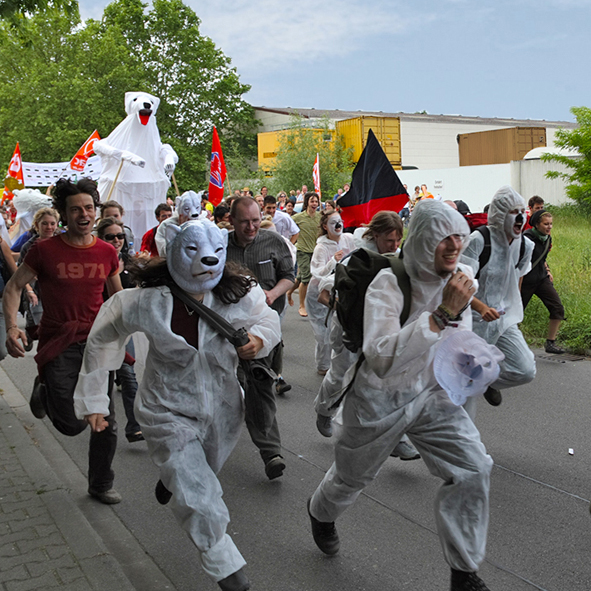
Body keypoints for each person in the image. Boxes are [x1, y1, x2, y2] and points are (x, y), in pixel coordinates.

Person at [74, 218, 280, 591]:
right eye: (194, 252)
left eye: (216, 253)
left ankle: (174, 478)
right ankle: (227, 567)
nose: (208, 261)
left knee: (204, 471)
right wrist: (95, 400)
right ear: (174, 253)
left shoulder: (238, 295)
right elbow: (103, 337)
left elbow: (267, 318)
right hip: (166, 409)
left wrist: (260, 338)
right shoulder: (144, 302)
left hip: (223, 409)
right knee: (199, 492)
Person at [307, 200, 494, 591]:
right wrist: (440, 315)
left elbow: (459, 339)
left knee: (473, 468)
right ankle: (320, 513)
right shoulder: (389, 283)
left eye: (459, 236)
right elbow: (380, 358)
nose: (454, 245)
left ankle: (463, 572)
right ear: (424, 239)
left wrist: (477, 367)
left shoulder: (458, 279)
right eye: (445, 237)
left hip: (434, 398)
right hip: (380, 402)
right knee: (350, 478)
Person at [3, 178, 123, 504]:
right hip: (60, 342)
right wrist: (13, 327)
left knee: (105, 420)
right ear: (64, 215)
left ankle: (100, 484)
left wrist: (132, 331)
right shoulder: (44, 251)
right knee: (72, 424)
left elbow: (118, 299)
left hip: (97, 344)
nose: (83, 214)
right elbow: (13, 287)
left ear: (95, 211)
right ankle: (43, 388)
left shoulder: (106, 252)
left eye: (88, 208)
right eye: (75, 209)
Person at [315, 211, 420, 461]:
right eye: (389, 241)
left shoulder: (397, 260)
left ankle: (396, 438)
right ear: (375, 235)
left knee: (387, 381)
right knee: (340, 376)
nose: (394, 246)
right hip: (350, 330)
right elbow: (323, 290)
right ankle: (324, 409)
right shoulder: (358, 259)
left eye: (398, 241)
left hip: (381, 331)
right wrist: (344, 308)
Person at [227, 197, 295, 477]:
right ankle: (268, 451)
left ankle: (270, 453)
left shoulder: (274, 242)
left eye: (255, 220)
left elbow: (289, 276)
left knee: (260, 385)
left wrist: (273, 294)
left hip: (265, 328)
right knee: (238, 388)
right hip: (227, 330)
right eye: (245, 222)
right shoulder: (220, 246)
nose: (252, 226)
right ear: (231, 221)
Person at [461, 186, 536, 408]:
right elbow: (459, 282)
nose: (520, 217)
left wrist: (514, 310)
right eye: (514, 211)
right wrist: (481, 307)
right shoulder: (479, 240)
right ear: (500, 215)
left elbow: (517, 279)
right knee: (460, 389)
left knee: (525, 370)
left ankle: (489, 383)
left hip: (503, 320)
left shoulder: (525, 245)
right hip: (472, 321)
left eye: (523, 211)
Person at [97, 217, 144, 442]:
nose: (116, 240)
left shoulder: (129, 261)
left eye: (120, 236)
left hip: (122, 327)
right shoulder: (95, 261)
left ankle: (134, 425)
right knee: (102, 375)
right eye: (110, 236)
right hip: (99, 326)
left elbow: (136, 290)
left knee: (128, 373)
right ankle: (103, 423)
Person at [305, 211, 355, 375]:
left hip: (339, 289)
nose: (338, 225)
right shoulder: (321, 247)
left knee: (338, 328)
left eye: (340, 221)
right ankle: (323, 365)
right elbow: (317, 272)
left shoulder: (348, 239)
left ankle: (337, 365)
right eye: (334, 222)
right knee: (323, 332)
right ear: (325, 227)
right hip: (318, 293)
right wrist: (333, 260)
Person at [521, 209, 565, 354]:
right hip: (525, 281)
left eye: (551, 224)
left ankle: (550, 343)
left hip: (541, 279)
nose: (549, 227)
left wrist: (548, 270)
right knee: (515, 314)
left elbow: (542, 258)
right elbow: (519, 262)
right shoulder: (526, 239)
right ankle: (508, 343)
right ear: (536, 224)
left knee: (557, 308)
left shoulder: (547, 239)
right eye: (546, 224)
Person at [17, 207, 60, 351]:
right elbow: (21, 273)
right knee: (43, 331)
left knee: (54, 333)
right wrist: (29, 290)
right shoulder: (29, 246)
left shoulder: (62, 244)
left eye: (52, 223)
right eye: (45, 223)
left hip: (57, 294)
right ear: (37, 225)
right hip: (37, 292)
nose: (49, 227)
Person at [291, 192, 321, 317]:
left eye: (316, 201)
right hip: (303, 250)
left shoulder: (320, 216)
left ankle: (289, 291)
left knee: (302, 277)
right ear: (307, 202)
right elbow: (289, 226)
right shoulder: (299, 217)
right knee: (307, 278)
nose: (314, 204)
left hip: (316, 250)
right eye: (312, 201)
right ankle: (302, 305)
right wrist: (292, 242)